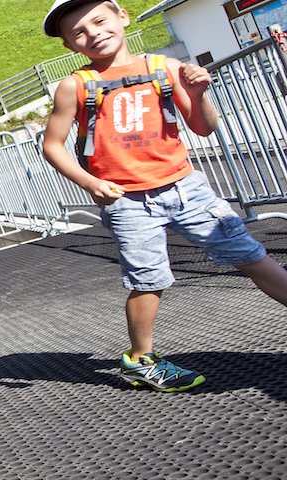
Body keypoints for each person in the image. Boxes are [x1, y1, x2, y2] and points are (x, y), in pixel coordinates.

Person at [41, 0, 287, 392]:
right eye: (79, 32)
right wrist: (90, 183)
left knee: (250, 256)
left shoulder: (164, 68)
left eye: (99, 21)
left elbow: (204, 128)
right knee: (148, 279)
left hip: (186, 187)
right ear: (71, 46)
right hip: (126, 200)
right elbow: (51, 145)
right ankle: (141, 359)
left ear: (121, 16)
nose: (94, 33)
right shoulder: (75, 86)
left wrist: (200, 91)